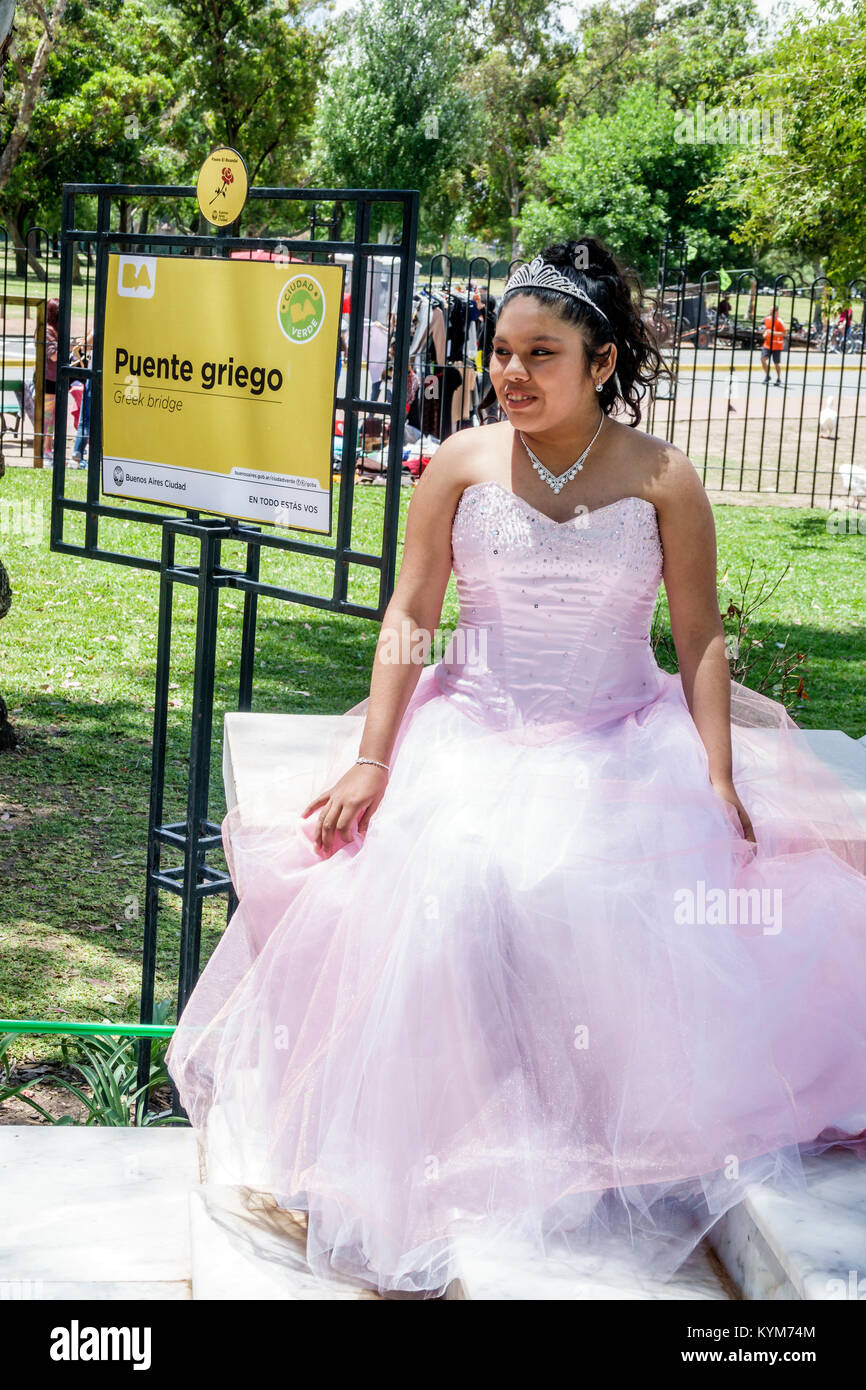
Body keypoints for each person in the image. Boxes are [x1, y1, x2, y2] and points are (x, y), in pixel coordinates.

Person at [166, 236, 866, 1298]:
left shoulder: (663, 478)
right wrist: (372, 757)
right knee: (439, 875)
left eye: (540, 352)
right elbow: (409, 613)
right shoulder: (458, 461)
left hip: (617, 732)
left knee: (595, 877)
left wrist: (715, 774)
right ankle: (420, 1147)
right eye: (499, 351)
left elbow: (698, 638)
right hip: (476, 723)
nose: (509, 372)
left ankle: (607, 1134)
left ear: (599, 361)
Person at [41, 298, 60, 463]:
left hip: (55, 379)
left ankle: (50, 446)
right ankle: (46, 449)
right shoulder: (47, 331)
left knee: (53, 415)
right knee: (48, 416)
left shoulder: (55, 330)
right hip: (47, 379)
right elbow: (53, 355)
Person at [761, 307, 786, 385]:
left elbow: (784, 333)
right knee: (763, 359)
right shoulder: (767, 319)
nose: (771, 313)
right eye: (770, 311)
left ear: (777, 312)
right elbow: (766, 329)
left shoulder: (780, 321)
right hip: (767, 344)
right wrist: (765, 333)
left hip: (777, 345)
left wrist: (773, 333)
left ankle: (778, 379)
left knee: (776, 363)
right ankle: (767, 375)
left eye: (772, 311)